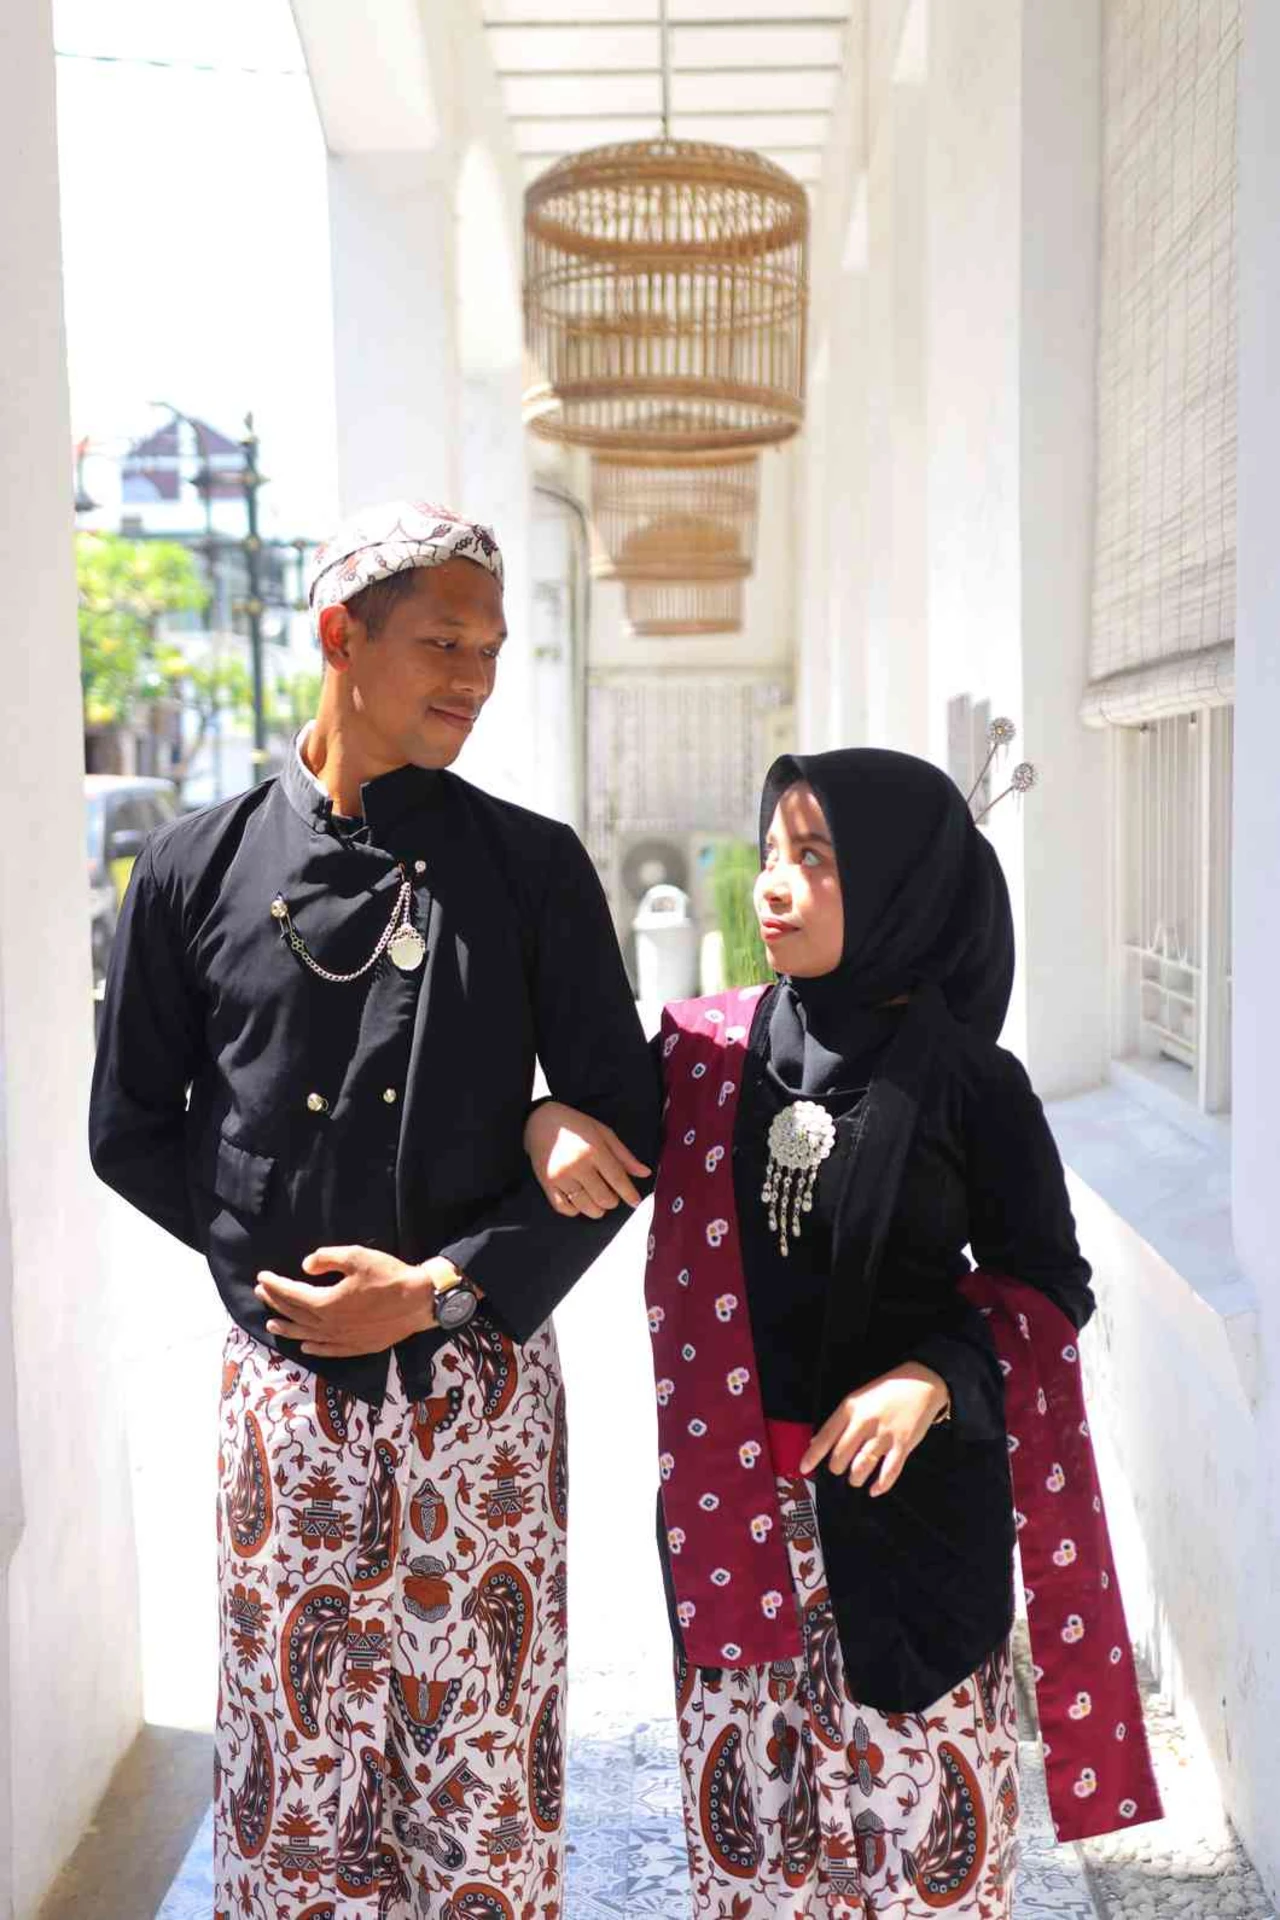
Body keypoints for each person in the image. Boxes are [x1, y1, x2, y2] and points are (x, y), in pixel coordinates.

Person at [89, 499, 658, 1920]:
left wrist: (444, 1286)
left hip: (482, 1401)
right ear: (342, 637)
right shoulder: (191, 869)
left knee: (482, 1792)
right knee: (293, 1799)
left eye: (491, 648)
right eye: (443, 643)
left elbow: (627, 1127)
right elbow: (131, 1130)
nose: (474, 676)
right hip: (286, 1408)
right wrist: (277, 1277)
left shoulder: (531, 869)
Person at [525, 747, 1161, 1919]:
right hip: (734, 1533)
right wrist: (542, 1123)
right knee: (755, 1872)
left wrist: (933, 1375)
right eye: (768, 852)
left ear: (896, 883)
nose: (771, 884)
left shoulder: (969, 1081)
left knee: (923, 1871)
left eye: (812, 859)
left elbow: (1046, 1287)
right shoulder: (700, 1057)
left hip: (910, 1531)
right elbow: (588, 1148)